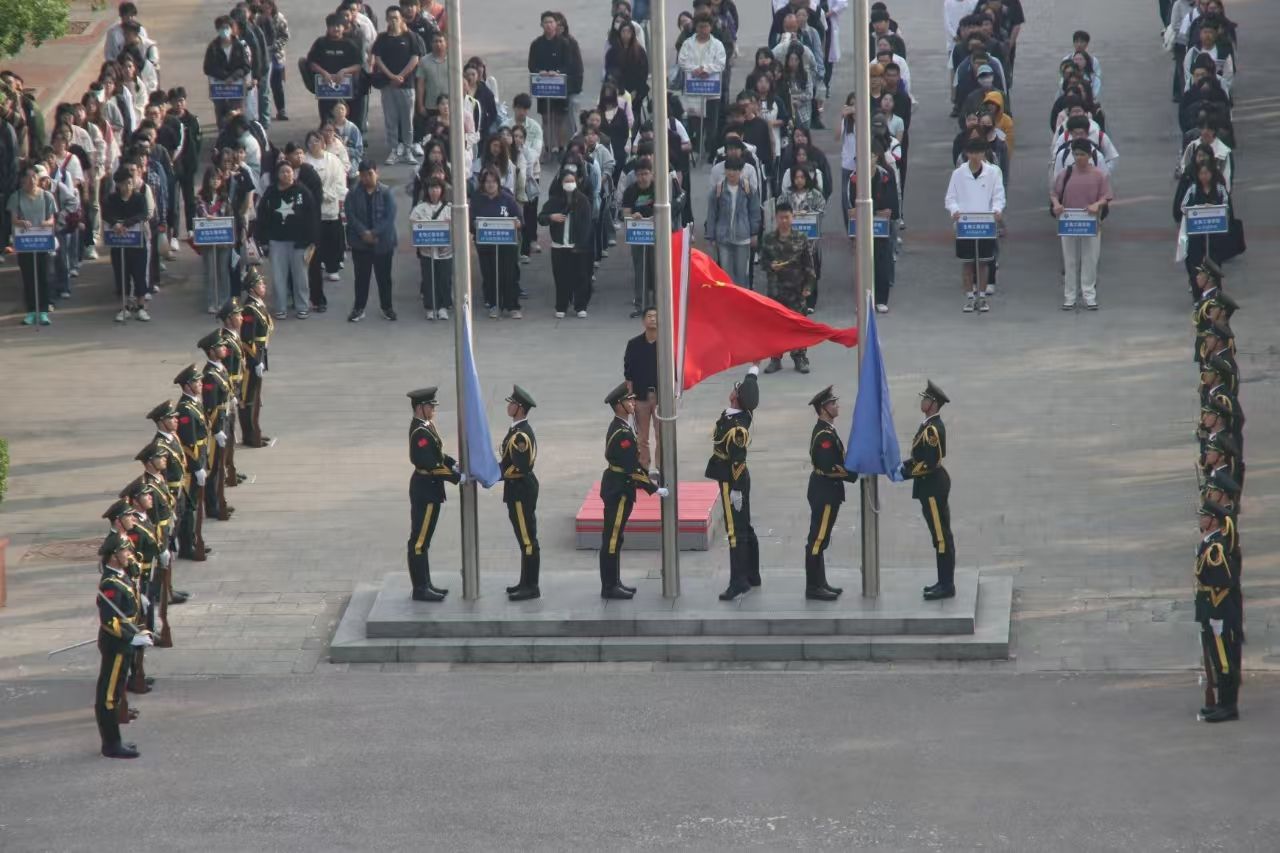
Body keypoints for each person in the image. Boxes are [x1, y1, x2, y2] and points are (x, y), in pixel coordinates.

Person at [598, 382, 666, 599]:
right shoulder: (623, 434)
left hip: (618, 485)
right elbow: (632, 469)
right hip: (619, 490)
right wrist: (653, 488)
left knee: (615, 538)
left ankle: (614, 582)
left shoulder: (622, 427)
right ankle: (609, 586)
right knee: (612, 539)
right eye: (629, 400)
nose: (633, 403)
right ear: (619, 405)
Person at [706, 366, 760, 601]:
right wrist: (753, 371)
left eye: (736, 389)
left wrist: (736, 490)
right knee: (744, 525)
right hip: (732, 477)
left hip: (731, 480)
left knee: (734, 531)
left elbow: (738, 460)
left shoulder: (737, 427)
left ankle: (738, 582)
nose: (733, 389)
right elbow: (750, 389)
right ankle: (752, 574)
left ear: (736, 397)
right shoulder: (737, 415)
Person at [95, 532, 150, 759]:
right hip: (116, 644)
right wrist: (130, 637)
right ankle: (111, 745)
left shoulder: (119, 575)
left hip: (122, 643)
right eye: (125, 550)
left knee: (116, 692)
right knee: (108, 696)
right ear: (113, 556)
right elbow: (110, 621)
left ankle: (115, 741)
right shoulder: (110, 584)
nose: (129, 553)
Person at [899, 381, 955, 601]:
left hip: (932, 486)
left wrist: (905, 473)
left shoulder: (932, 429)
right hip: (930, 484)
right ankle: (943, 582)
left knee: (941, 537)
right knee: (940, 535)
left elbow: (929, 463)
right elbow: (919, 457)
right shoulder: (928, 425)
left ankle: (946, 585)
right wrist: (903, 466)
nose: (922, 401)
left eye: (925, 398)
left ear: (933, 403)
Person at [405, 386, 460, 601]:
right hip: (425, 489)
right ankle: (420, 589)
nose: (433, 409)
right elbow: (431, 464)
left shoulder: (426, 426)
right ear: (420, 407)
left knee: (424, 540)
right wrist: (456, 477)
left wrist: (454, 463)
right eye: (430, 406)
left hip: (430, 487)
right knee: (419, 541)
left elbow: (438, 454)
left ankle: (426, 584)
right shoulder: (419, 432)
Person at [804, 386, 856, 601]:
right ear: (823, 409)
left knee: (820, 538)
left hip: (826, 490)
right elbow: (829, 467)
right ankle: (813, 587)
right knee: (817, 540)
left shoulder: (827, 429)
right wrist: (852, 474)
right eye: (833, 403)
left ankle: (820, 582)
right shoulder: (824, 435)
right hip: (825, 491)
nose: (837, 406)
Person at [1050, 139, 1113, 311]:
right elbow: (1054, 193)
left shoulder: (1099, 175)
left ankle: (1089, 295)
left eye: (1082, 154)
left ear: (1089, 155)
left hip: (1090, 221)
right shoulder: (1066, 173)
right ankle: (1069, 296)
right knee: (1070, 260)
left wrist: (1097, 205)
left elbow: (1106, 196)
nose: (1079, 158)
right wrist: (1057, 205)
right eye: (1076, 154)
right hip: (1069, 221)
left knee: (1090, 259)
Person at [944, 137, 1004, 313]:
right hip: (965, 224)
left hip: (986, 223)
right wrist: (955, 211)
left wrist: (997, 210)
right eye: (972, 153)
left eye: (979, 152)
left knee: (984, 262)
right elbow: (950, 198)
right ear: (967, 154)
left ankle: (982, 297)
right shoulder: (958, 174)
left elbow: (999, 196)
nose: (976, 156)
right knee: (967, 263)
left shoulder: (993, 172)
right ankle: (970, 297)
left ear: (984, 153)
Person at [1195, 501, 1241, 722]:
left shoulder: (1216, 548)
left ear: (1213, 521)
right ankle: (1222, 703)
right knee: (1218, 658)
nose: (1200, 519)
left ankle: (1229, 706)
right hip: (1211, 611)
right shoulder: (1210, 543)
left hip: (1218, 613)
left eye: (1204, 516)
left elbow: (1223, 583)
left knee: (1224, 661)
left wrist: (1215, 614)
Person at [255, 162, 318, 319]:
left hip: (300, 241)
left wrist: (312, 240)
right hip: (277, 241)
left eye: (289, 171)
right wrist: (263, 239)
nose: (286, 175)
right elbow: (262, 215)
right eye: (283, 172)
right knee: (278, 277)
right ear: (277, 174)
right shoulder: (271, 192)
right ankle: (280, 307)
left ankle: (302, 306)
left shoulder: (302, 191)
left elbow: (312, 216)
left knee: (301, 276)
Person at [759, 201, 815, 374]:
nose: (784, 221)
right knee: (774, 326)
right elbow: (762, 262)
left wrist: (808, 286)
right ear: (776, 218)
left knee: (798, 325)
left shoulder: (801, 238)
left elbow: (809, 265)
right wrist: (771, 266)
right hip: (775, 291)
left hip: (796, 291)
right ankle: (775, 359)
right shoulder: (768, 238)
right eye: (781, 217)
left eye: (787, 217)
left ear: (792, 217)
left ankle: (800, 358)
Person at [500, 386, 541, 601]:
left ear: (520, 408)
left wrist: (495, 475)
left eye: (512, 403)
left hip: (521, 490)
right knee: (524, 538)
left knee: (527, 539)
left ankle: (531, 586)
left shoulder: (521, 436)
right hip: (517, 489)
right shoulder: (516, 430)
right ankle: (525, 582)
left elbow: (520, 468)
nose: (509, 406)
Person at [345, 159, 399, 322]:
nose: (367, 178)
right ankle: (359, 308)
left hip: (383, 243)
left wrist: (374, 233)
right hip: (360, 243)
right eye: (363, 175)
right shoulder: (353, 193)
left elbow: (389, 217)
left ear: (376, 173)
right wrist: (363, 233)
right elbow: (350, 215)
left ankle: (387, 307)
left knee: (384, 278)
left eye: (370, 174)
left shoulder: (386, 192)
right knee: (361, 278)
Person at [7, 164, 56, 326]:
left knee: (43, 276)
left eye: (34, 177)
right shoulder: (16, 197)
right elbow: (13, 219)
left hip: (42, 241)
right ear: (22, 180)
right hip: (25, 242)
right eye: (28, 177)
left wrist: (46, 223)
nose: (32, 180)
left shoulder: (47, 196)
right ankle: (30, 311)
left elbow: (52, 219)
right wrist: (21, 222)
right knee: (28, 277)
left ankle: (43, 311)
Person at [101, 166, 152, 322]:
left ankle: (141, 307)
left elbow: (143, 214)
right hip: (118, 244)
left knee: (139, 274)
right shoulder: (112, 199)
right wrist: (115, 223)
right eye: (124, 183)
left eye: (130, 182)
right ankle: (124, 307)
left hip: (137, 242)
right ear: (118, 184)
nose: (128, 186)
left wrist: (127, 224)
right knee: (121, 275)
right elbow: (106, 214)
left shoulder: (139, 198)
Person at [471, 165, 522, 319]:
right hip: (486, 245)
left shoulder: (507, 198)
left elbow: (520, 219)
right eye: (487, 182)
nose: (490, 185)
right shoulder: (477, 200)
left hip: (507, 245)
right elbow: (471, 221)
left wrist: (516, 223)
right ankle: (494, 305)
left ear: (498, 183)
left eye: (493, 181)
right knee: (490, 276)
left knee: (509, 275)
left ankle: (512, 306)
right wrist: (475, 224)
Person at [304, 131, 347, 312]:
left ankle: (333, 266)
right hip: (314, 211)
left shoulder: (333, 160)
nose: (314, 144)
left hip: (331, 207)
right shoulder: (306, 162)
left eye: (317, 140)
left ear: (322, 142)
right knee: (316, 243)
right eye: (310, 141)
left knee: (333, 238)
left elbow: (340, 182)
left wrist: (330, 195)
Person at [704, 155, 761, 288]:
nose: (731, 173)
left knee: (742, 275)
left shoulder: (748, 189)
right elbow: (712, 214)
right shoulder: (718, 190)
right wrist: (711, 236)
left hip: (743, 237)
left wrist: (754, 233)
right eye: (729, 169)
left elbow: (754, 212)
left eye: (735, 170)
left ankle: (741, 299)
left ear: (740, 171)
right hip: (723, 238)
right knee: (726, 275)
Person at [372, 7, 420, 164]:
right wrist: (391, 76)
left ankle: (408, 150)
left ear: (401, 19)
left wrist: (402, 75)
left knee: (407, 120)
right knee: (391, 119)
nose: (393, 20)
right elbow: (378, 59)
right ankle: (394, 150)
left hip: (407, 86)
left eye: (396, 18)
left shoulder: (410, 37)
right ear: (387, 19)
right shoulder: (382, 38)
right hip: (388, 86)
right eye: (391, 18)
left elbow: (415, 58)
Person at [172, 364, 210, 561]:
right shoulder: (185, 410)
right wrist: (196, 468)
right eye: (196, 382)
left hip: (199, 460)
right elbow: (188, 444)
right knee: (189, 507)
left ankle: (193, 541)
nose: (200, 384)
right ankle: (187, 546)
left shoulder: (193, 403)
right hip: (191, 467)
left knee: (193, 505)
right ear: (187, 386)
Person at [197, 331, 233, 522]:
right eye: (220, 346)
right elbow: (210, 406)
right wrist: (217, 429)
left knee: (221, 464)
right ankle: (213, 506)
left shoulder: (219, 368)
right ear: (211, 351)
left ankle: (219, 501)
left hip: (224, 418)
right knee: (215, 467)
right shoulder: (210, 376)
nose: (224, 348)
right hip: (216, 423)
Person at [678, 14, 727, 154]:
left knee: (712, 124)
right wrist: (695, 70)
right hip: (693, 89)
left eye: (706, 26)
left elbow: (721, 63)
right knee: (695, 122)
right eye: (700, 27)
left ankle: (710, 151)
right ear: (696, 27)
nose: (703, 30)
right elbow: (682, 61)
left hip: (712, 90)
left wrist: (706, 69)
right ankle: (697, 149)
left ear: (710, 27)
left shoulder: (717, 45)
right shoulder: (688, 44)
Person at [307, 13, 366, 125]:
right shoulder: (321, 43)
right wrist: (323, 73)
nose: (336, 29)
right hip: (326, 88)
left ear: (344, 28)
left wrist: (344, 71)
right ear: (328, 28)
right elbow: (311, 63)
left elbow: (359, 65)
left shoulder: (350, 44)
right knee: (327, 120)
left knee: (349, 120)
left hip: (347, 88)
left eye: (339, 26)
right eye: (332, 26)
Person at [238, 267, 274, 448]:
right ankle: (250, 436)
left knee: (256, 397)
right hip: (252, 359)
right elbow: (247, 339)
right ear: (252, 289)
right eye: (260, 284)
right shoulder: (249, 310)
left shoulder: (258, 305)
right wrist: (256, 360)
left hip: (260, 354)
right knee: (249, 398)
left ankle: (255, 431)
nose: (264, 286)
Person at [623, 307, 660, 474]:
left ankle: (661, 468)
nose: (652, 319)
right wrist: (630, 396)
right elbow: (628, 373)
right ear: (643, 321)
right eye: (649, 316)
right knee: (642, 437)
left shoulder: (667, 344)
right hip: (641, 396)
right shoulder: (634, 344)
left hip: (661, 397)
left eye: (655, 316)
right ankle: (644, 468)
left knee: (662, 436)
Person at [409, 176, 452, 319]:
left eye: (437, 188)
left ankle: (443, 307)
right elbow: (413, 226)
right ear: (427, 190)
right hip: (427, 252)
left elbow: (456, 228)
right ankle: (430, 307)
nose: (434, 191)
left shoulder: (449, 208)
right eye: (432, 188)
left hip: (445, 252)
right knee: (429, 279)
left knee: (444, 279)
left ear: (442, 190)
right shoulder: (419, 208)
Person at [203, 16, 253, 121]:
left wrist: (233, 77)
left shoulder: (239, 46)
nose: (224, 30)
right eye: (221, 28)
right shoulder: (213, 47)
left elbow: (246, 66)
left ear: (231, 28)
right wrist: (224, 77)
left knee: (235, 114)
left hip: (236, 88)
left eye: (226, 27)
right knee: (221, 115)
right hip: (219, 89)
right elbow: (207, 67)